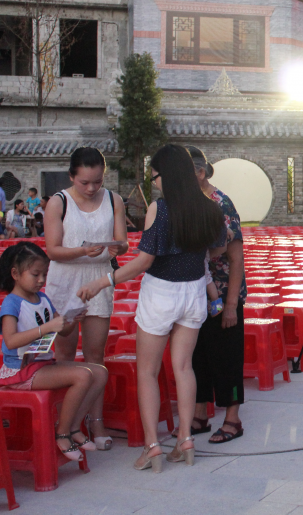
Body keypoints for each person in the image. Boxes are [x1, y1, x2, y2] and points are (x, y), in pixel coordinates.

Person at [78, 144, 226, 473]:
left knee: (148, 372)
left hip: (161, 293)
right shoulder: (210, 208)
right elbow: (217, 249)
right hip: (193, 293)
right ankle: (186, 439)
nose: (153, 182)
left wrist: (102, 282)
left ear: (166, 175)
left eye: (154, 176)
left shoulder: (161, 209)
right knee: (184, 368)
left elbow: (143, 262)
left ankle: (152, 447)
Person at [44, 147, 127, 451]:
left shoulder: (113, 199)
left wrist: (118, 247)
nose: (92, 188)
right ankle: (63, 425)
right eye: (84, 183)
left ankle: (95, 422)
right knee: (64, 357)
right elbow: (52, 249)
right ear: (72, 177)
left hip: (99, 278)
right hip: (65, 279)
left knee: (96, 356)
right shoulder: (58, 202)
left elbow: (123, 242)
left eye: (97, 181)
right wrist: (82, 249)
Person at [0, 242, 109, 461]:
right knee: (82, 375)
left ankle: (74, 426)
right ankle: (62, 432)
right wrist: (46, 327)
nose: (41, 280)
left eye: (45, 274)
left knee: (100, 372)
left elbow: (63, 332)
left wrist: (70, 320)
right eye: (35, 274)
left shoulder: (43, 299)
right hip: (21, 371)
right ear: (15, 273)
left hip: (43, 365)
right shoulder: (11, 303)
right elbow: (10, 341)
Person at [185, 146, 247, 445]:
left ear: (200, 172)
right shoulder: (186, 202)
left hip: (223, 294)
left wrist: (232, 305)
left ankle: (232, 418)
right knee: (197, 356)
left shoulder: (220, 204)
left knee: (227, 357)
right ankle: (199, 415)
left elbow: (236, 258)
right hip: (194, 294)